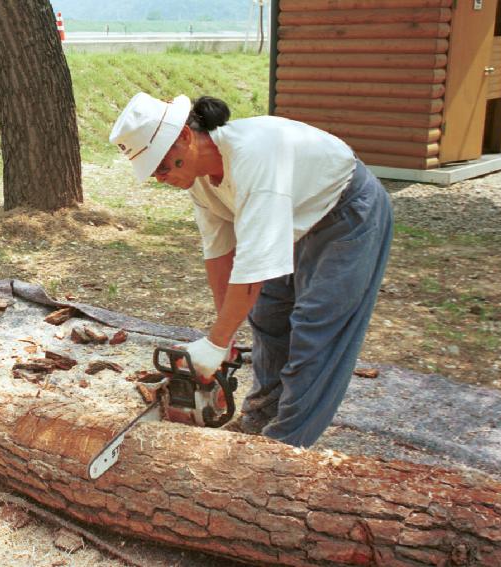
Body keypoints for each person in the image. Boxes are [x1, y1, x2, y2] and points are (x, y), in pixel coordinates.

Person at [109, 93, 393, 447]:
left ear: (184, 136)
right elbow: (219, 253)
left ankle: (283, 445)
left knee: (315, 327)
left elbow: (253, 269)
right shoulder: (198, 177)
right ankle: (258, 418)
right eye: (154, 173)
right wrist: (222, 339)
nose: (161, 178)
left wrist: (214, 344)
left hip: (345, 213)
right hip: (292, 216)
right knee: (267, 313)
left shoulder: (252, 158)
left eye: (163, 167)